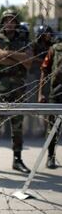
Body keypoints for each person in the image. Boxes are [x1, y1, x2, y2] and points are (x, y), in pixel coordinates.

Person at [0, 9, 32, 175]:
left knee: (17, 125)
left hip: (19, 88)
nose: (9, 23)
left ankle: (17, 159)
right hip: (1, 88)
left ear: (16, 22)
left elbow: (28, 62)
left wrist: (8, 54)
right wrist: (17, 56)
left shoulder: (23, 38)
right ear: (2, 22)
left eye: (12, 20)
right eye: (6, 20)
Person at [38, 37, 62, 169]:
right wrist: (40, 93)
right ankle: (50, 157)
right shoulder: (55, 49)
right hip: (57, 92)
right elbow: (44, 70)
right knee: (53, 127)